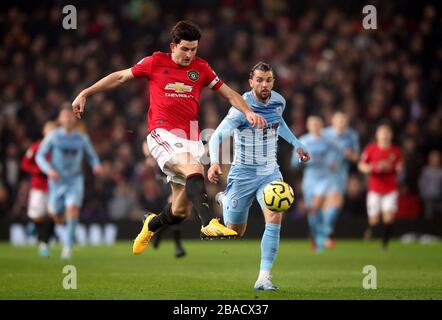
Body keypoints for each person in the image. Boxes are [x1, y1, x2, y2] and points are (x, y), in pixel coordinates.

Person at [71, 21, 266, 255]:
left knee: (179, 211)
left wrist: (248, 111)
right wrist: (85, 93)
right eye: (185, 49)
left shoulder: (201, 68)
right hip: (162, 134)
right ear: (172, 46)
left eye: (194, 49)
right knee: (194, 168)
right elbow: (121, 77)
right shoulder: (154, 62)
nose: (189, 54)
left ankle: (150, 224)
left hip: (191, 139)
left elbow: (229, 94)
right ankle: (209, 223)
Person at [208, 62, 310, 290]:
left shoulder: (279, 101)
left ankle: (263, 277)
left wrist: (296, 143)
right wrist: (215, 162)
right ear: (251, 82)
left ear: (273, 81)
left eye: (269, 80)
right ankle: (224, 198)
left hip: (269, 172)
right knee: (235, 231)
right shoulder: (240, 109)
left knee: (274, 216)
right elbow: (216, 137)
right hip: (243, 173)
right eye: (260, 80)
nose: (265, 85)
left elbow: (278, 122)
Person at [36, 106, 103, 259]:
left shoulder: (81, 137)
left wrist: (96, 165)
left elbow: (91, 155)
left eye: (71, 116)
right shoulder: (53, 136)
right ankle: (45, 236)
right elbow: (39, 156)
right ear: (60, 119)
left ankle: (67, 247)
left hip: (75, 180)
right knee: (55, 216)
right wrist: (49, 170)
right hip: (57, 181)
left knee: (72, 209)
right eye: (65, 116)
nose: (68, 118)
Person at [291, 116, 343, 253]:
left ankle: (327, 231)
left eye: (318, 123)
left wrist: (336, 162)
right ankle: (315, 236)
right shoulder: (303, 141)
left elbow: (340, 152)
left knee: (335, 203)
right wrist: (302, 159)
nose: (315, 126)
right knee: (313, 210)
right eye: (313, 124)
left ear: (322, 125)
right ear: (308, 126)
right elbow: (293, 163)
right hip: (311, 180)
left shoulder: (329, 141)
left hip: (327, 178)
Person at [358, 122, 403, 250]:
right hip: (375, 189)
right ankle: (370, 230)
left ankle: (384, 244)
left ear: (391, 135)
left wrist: (396, 168)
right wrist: (373, 167)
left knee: (388, 217)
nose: (384, 135)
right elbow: (361, 165)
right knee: (374, 220)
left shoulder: (395, 151)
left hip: (390, 189)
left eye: (387, 132)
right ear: (377, 135)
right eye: (382, 132)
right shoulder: (370, 149)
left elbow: (400, 168)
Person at [141, 141, 186, 258]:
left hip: (177, 178)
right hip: (164, 179)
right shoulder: (160, 137)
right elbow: (146, 144)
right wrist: (149, 157)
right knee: (174, 209)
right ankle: (178, 246)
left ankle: (158, 235)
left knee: (173, 212)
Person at [322, 111, 360, 248]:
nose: (341, 123)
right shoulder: (324, 134)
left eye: (344, 121)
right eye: (339, 121)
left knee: (335, 205)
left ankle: (325, 231)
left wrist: (350, 155)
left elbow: (357, 157)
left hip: (340, 175)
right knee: (330, 204)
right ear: (333, 121)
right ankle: (326, 233)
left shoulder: (352, 136)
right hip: (323, 174)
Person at [20, 121, 57, 256]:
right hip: (38, 187)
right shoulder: (36, 147)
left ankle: (44, 244)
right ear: (44, 132)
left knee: (53, 215)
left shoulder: (57, 149)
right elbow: (24, 164)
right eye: (49, 130)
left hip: (54, 188)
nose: (52, 133)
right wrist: (39, 170)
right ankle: (34, 225)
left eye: (54, 130)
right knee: (37, 217)